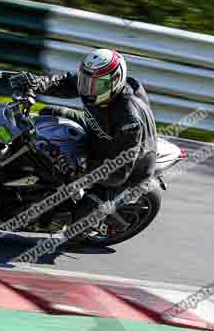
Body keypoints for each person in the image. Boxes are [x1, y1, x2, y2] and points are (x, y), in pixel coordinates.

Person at [8, 48, 158, 228]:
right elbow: (64, 82)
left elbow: (118, 172)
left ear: (115, 82)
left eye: (95, 85)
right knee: (49, 113)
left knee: (76, 222)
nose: (88, 89)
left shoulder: (129, 121)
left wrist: (80, 168)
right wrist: (36, 83)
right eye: (86, 81)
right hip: (99, 130)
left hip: (129, 168)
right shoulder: (97, 81)